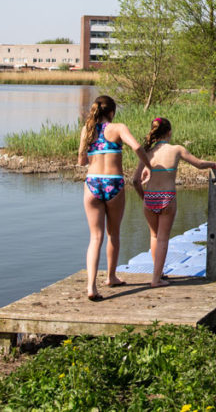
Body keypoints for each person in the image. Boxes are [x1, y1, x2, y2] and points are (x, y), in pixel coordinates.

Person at [131, 117, 216, 287]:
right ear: (169, 132)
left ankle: (158, 273)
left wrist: (144, 198)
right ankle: (156, 279)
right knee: (163, 239)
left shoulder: (147, 153)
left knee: (154, 235)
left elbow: (135, 181)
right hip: (167, 197)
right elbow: (199, 164)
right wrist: (214, 164)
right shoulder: (176, 149)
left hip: (149, 198)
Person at [77, 95, 153, 301]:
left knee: (95, 237)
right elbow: (137, 147)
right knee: (113, 233)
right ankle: (110, 277)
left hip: (92, 182)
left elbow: (81, 160)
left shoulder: (87, 129)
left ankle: (91, 287)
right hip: (113, 183)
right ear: (111, 112)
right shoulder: (118, 128)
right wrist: (148, 165)